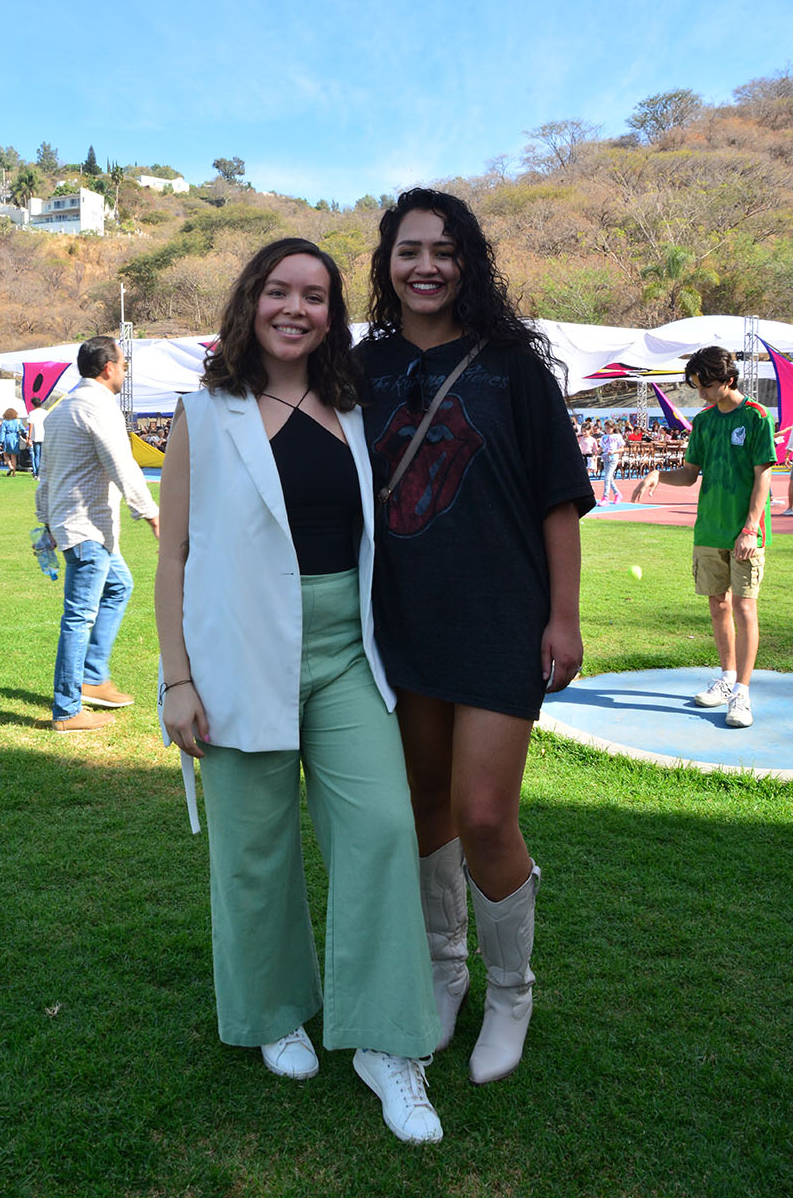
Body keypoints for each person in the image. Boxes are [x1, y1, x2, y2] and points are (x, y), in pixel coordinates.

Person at [155, 238, 444, 1144]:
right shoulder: (202, 415)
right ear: (250, 303)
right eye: (278, 291)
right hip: (238, 654)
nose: (296, 308)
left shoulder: (356, 410)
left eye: (315, 296)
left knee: (384, 831)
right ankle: (274, 1007)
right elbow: (172, 557)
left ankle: (384, 1043)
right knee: (253, 849)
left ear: (333, 315)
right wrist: (176, 678)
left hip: (343, 653)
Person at [357, 188, 594, 1086]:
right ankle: (442, 972)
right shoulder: (361, 367)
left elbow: (559, 501)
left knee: (486, 813)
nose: (426, 265)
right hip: (399, 620)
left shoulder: (514, 367)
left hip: (499, 617)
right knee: (426, 806)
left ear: (469, 263)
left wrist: (563, 616)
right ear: (385, 262)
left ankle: (512, 992)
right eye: (408, 249)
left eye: (444, 251)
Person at [633, 346, 775, 728]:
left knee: (745, 609)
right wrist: (659, 475)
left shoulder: (757, 418)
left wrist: (749, 528)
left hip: (744, 534)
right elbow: (690, 473)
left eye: (705, 385)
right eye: (696, 386)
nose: (701, 393)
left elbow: (763, 476)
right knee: (718, 606)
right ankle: (727, 678)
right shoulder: (705, 421)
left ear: (728, 380)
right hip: (708, 531)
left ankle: (742, 693)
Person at [35, 336, 159, 731]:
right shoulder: (97, 407)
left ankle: (93, 676)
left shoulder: (60, 409)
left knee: (120, 585)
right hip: (88, 530)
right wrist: (153, 515)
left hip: (78, 527)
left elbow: (46, 476)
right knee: (79, 617)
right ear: (108, 368)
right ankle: (68, 709)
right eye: (122, 365)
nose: (124, 372)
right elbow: (123, 465)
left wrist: (47, 521)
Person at [599, 421, 625, 504]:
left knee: (606, 478)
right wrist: (596, 452)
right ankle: (617, 494)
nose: (607, 430)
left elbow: (622, 449)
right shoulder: (604, 437)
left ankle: (605, 497)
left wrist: (614, 451)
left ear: (612, 428)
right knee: (609, 478)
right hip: (606, 458)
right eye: (606, 428)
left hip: (613, 458)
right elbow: (602, 448)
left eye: (609, 428)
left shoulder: (617, 436)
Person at [0, 407, 26, 476]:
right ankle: (14, 473)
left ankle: (10, 466)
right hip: (15, 438)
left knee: (6, 454)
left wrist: (0, 442)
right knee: (13, 456)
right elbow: (23, 429)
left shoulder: (5, 422)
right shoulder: (18, 421)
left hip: (7, 437)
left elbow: (2, 432)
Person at [27, 397, 47, 479]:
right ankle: (43, 473)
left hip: (36, 436)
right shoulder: (46, 413)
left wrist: (29, 436)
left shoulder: (32, 413)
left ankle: (38, 474)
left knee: (37, 455)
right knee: (43, 455)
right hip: (44, 436)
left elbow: (30, 425)